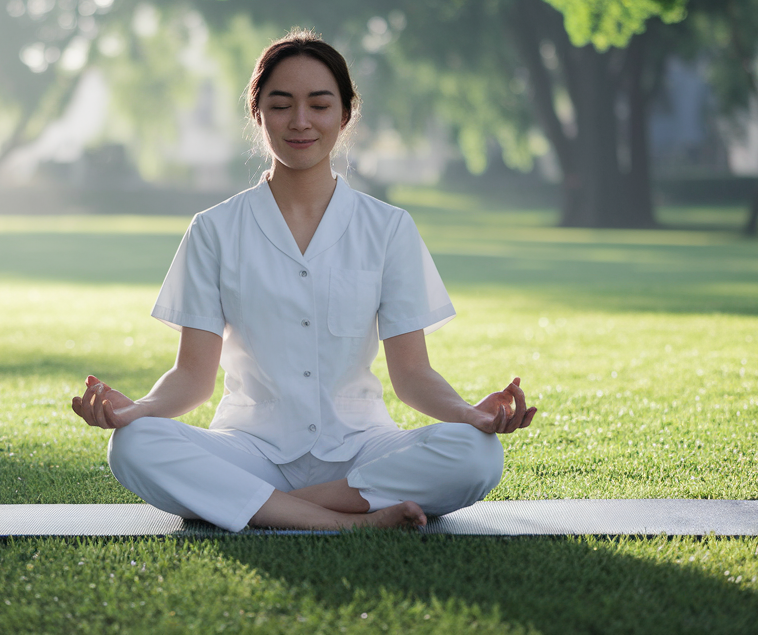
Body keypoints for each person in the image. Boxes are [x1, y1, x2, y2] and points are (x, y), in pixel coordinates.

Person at [71, 29, 537, 531]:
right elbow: (192, 378)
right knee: (135, 444)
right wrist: (136, 410)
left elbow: (412, 376)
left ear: (345, 113)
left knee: (477, 455)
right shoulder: (214, 229)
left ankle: (262, 505)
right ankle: (345, 521)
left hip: (360, 447)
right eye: (280, 105)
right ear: (258, 113)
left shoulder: (388, 227)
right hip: (248, 447)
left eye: (319, 104)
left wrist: (471, 415)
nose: (300, 122)